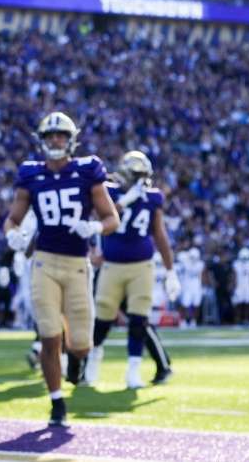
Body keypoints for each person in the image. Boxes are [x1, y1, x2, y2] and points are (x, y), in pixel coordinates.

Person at [4, 112, 118, 427]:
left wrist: (92, 226)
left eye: (61, 135)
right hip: (44, 262)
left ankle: (74, 365)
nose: (56, 141)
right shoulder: (31, 174)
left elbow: (112, 219)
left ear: (71, 139)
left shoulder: (86, 171)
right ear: (42, 139)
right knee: (50, 335)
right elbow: (13, 218)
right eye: (51, 135)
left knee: (81, 344)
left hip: (78, 264)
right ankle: (56, 402)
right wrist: (13, 235)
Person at [86, 151, 179, 389]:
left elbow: (160, 234)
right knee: (103, 319)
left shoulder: (152, 198)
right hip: (112, 265)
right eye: (136, 175)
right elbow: (100, 219)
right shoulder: (109, 191)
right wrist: (124, 201)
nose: (140, 180)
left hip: (141, 266)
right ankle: (90, 364)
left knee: (139, 319)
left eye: (143, 176)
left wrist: (171, 271)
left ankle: (143, 369)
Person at [232, 248, 249, 324]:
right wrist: (234, 286)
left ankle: (246, 319)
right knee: (238, 304)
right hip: (239, 286)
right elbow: (234, 276)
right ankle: (238, 319)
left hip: (248, 286)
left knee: (247, 304)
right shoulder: (236, 264)